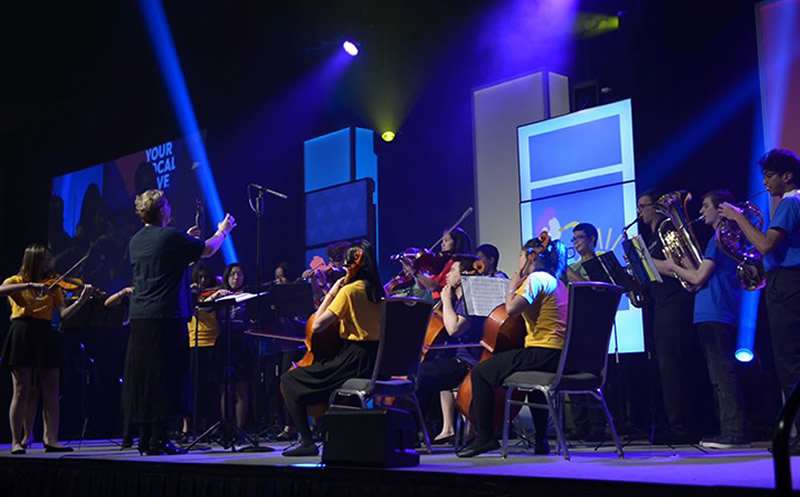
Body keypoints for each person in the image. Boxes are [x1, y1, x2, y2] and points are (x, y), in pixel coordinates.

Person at [123, 189, 235, 455]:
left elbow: (164, 264)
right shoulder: (171, 236)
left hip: (140, 317)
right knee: (167, 376)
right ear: (162, 210)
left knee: (146, 378)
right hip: (166, 315)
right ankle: (159, 439)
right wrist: (224, 230)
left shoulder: (136, 240)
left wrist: (185, 243)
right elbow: (208, 249)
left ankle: (147, 438)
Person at [457, 237, 568, 458]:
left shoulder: (536, 279)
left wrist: (512, 286)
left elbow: (511, 309)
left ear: (530, 257)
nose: (518, 260)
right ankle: (541, 439)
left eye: (520, 255)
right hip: (559, 355)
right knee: (531, 384)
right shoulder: (558, 282)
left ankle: (485, 437)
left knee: (481, 372)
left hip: (542, 351)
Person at [720, 149, 800, 447]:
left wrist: (739, 219)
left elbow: (766, 244)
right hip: (788, 281)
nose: (765, 182)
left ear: (786, 176)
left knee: (789, 361)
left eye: (769, 176)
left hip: (788, 284)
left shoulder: (790, 202)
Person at [280, 240, 383, 457]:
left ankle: (307, 441)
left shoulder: (350, 292)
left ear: (351, 267)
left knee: (289, 380)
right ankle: (331, 431)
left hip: (354, 360)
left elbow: (317, 325)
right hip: (377, 362)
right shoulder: (380, 293)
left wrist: (332, 292)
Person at [663, 190, 749, 449]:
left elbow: (698, 278)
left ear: (720, 209)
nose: (701, 212)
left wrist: (672, 266)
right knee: (719, 376)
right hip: (714, 312)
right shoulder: (725, 238)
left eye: (705, 206)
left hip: (714, 311)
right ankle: (730, 430)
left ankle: (733, 432)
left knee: (721, 376)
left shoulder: (717, 239)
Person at [0, 243, 96, 454]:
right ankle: (17, 440)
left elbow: (63, 314)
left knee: (51, 390)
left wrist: (81, 300)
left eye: (48, 259)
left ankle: (51, 438)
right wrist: (31, 286)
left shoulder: (53, 285)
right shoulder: (16, 281)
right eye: (44, 260)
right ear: (33, 261)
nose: (48, 264)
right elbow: (1, 290)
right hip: (21, 332)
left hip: (45, 333)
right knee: (21, 390)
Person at [639, 190, 697, 444]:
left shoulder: (667, 229)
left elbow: (687, 269)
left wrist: (646, 261)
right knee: (663, 367)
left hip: (675, 302)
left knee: (672, 366)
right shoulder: (651, 237)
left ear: (656, 207)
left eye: (643, 206)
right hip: (659, 304)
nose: (640, 212)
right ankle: (669, 423)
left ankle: (681, 427)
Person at [415, 254, 484, 444]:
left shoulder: (471, 301)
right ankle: (423, 430)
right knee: (420, 373)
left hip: (466, 362)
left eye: (453, 270)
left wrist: (445, 300)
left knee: (420, 375)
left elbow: (453, 328)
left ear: (463, 276)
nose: (447, 274)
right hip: (455, 358)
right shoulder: (458, 301)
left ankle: (412, 432)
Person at [216, 262, 256, 438]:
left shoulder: (249, 296)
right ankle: (226, 428)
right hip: (224, 342)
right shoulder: (220, 294)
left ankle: (240, 430)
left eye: (239, 274)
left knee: (241, 387)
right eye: (232, 274)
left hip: (243, 342)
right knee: (225, 388)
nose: (236, 277)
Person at [413, 227, 473, 299]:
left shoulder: (455, 264)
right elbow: (422, 286)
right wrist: (416, 269)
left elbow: (433, 286)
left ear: (457, 242)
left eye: (446, 241)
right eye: (442, 241)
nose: (442, 244)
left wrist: (413, 271)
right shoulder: (443, 262)